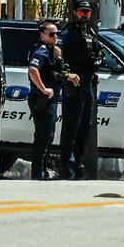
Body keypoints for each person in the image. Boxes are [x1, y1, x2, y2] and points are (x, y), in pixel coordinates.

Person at [26, 20, 78, 180]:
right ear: (42, 35)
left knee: (48, 135)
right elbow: (33, 70)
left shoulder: (51, 52)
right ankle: (38, 173)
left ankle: (42, 171)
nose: (56, 36)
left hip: (50, 99)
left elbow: (54, 72)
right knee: (43, 136)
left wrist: (69, 76)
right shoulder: (40, 52)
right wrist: (44, 89)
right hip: (42, 98)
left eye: (57, 33)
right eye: (52, 34)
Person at [57, 0, 102, 180]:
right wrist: (67, 73)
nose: (85, 15)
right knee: (71, 127)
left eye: (87, 12)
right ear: (75, 12)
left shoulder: (89, 33)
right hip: (74, 85)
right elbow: (58, 52)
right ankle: (67, 166)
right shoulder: (69, 32)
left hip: (88, 84)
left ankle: (78, 163)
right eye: (82, 12)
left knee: (85, 127)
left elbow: (97, 54)